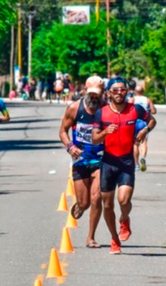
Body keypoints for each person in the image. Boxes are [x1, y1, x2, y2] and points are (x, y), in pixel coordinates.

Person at [92, 77, 156, 254]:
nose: (119, 93)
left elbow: (152, 121)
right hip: (108, 162)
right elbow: (94, 138)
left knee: (124, 200)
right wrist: (105, 132)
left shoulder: (135, 109)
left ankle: (125, 219)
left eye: (122, 89)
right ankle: (114, 239)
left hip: (127, 161)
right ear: (108, 93)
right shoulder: (101, 113)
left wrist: (144, 131)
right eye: (115, 90)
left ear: (127, 91)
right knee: (107, 205)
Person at [59, 76, 105, 248]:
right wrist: (70, 146)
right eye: (91, 94)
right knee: (84, 202)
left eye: (97, 95)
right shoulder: (74, 108)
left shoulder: (107, 109)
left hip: (100, 159)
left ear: (103, 94)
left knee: (97, 198)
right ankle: (80, 205)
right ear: (85, 91)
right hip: (80, 160)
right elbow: (63, 131)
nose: (94, 98)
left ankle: (91, 237)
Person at [130, 85, 157, 172]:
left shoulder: (132, 99)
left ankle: (136, 164)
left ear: (135, 91)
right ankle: (143, 157)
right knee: (144, 142)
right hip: (144, 122)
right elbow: (154, 111)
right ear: (143, 91)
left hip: (134, 122)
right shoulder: (147, 100)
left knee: (135, 143)